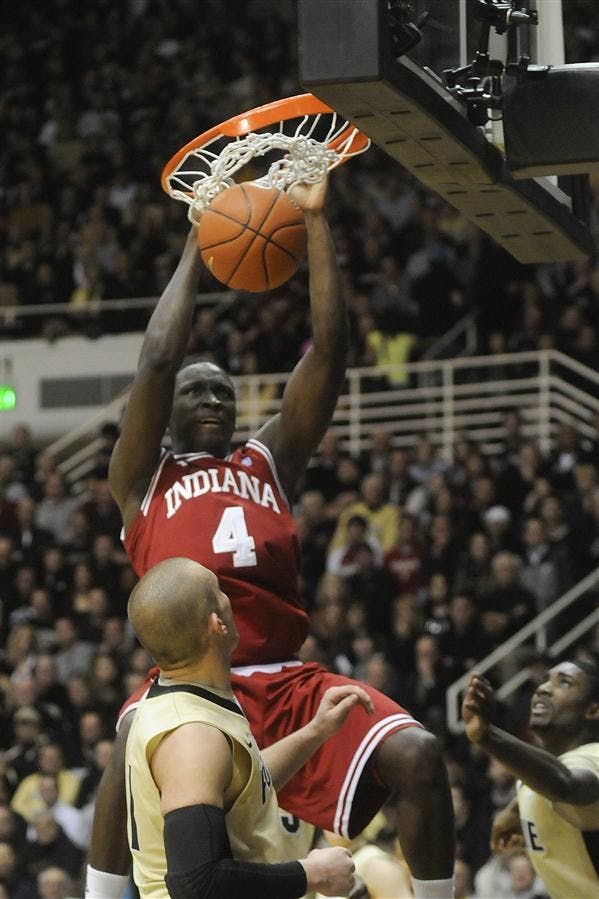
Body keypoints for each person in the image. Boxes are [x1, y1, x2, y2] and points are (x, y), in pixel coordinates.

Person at [89, 176, 455, 899]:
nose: (214, 398)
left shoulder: (268, 459)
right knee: (126, 747)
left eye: (224, 389)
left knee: (418, 752)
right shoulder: (142, 477)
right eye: (199, 390)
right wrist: (200, 236)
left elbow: (330, 351)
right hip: (191, 680)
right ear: (164, 413)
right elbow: (158, 360)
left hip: (284, 676)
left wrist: (315, 224)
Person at [121, 556, 366, 898]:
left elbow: (245, 788)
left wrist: (316, 731)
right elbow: (196, 884)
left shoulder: (194, 696)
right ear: (217, 623)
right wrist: (311, 875)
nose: (230, 599)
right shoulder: (192, 736)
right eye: (220, 592)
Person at [461, 660, 599, 899]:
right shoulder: (540, 774)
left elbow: (566, 783)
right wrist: (517, 810)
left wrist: (488, 735)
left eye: (564, 683)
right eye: (545, 679)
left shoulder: (593, 756)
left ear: (593, 710)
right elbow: (550, 779)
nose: (543, 688)